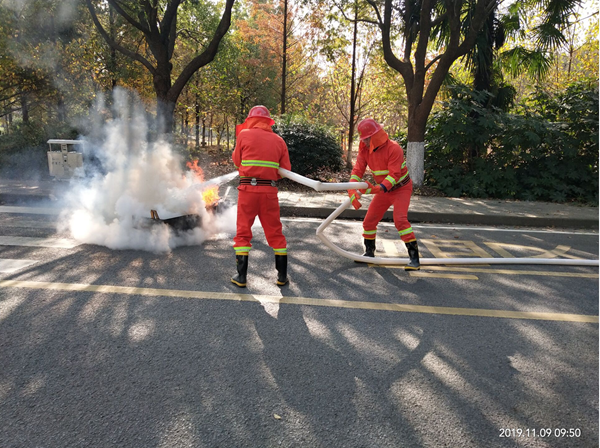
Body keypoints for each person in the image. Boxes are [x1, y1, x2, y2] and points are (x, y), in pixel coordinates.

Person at [231, 105, 292, 287]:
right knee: (275, 233)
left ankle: (241, 277)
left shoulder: (243, 135)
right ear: (268, 122)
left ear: (250, 120)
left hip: (247, 191)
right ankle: (282, 277)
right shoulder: (279, 140)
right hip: (269, 192)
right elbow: (285, 170)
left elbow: (236, 161)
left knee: (243, 233)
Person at [348, 118, 420, 270]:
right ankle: (369, 253)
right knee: (369, 221)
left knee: (400, 220)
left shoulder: (394, 148)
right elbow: (358, 170)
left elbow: (394, 175)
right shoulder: (365, 149)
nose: (364, 141)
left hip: (401, 188)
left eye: (367, 138)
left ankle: (414, 258)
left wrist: (376, 189)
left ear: (376, 136)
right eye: (363, 138)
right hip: (383, 190)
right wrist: (351, 189)